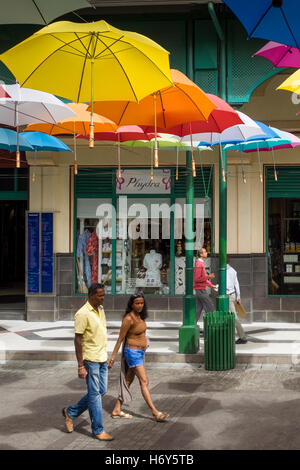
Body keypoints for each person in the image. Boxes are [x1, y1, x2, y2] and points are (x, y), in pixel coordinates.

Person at [62, 283, 114, 441]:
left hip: (102, 357)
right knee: (95, 395)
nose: (103, 298)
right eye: (100, 295)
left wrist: (107, 356)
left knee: (101, 391)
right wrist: (80, 365)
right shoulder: (82, 313)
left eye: (104, 295)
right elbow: (77, 340)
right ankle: (98, 429)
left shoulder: (101, 309)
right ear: (91, 295)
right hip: (90, 359)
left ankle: (70, 412)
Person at [108, 293, 169, 422]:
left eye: (142, 303)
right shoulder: (128, 319)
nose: (140, 305)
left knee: (129, 380)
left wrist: (144, 343)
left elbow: (141, 333)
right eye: (137, 303)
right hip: (132, 353)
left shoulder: (140, 316)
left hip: (140, 352)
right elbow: (120, 339)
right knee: (144, 381)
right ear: (132, 304)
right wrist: (112, 358)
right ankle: (154, 412)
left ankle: (116, 409)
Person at [193, 247, 216, 326]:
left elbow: (202, 278)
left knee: (198, 309)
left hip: (199, 290)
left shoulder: (200, 263)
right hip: (201, 290)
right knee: (210, 308)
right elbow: (197, 279)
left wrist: (211, 285)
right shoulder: (199, 263)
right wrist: (209, 277)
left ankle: (193, 325)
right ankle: (211, 326)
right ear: (201, 254)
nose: (207, 253)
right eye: (205, 252)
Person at [227, 263, 248, 344]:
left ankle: (242, 337)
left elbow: (227, 285)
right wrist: (238, 296)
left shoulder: (225, 271)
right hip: (233, 294)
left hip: (228, 296)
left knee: (234, 317)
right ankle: (231, 335)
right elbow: (237, 284)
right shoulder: (233, 270)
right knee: (230, 317)